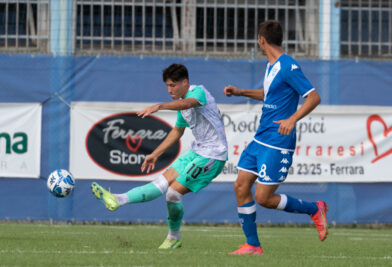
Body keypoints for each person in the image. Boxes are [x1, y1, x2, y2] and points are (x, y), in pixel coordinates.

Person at [91, 63, 228, 249]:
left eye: (173, 85)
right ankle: (118, 199)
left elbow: (188, 103)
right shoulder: (181, 103)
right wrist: (155, 154)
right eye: (167, 86)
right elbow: (178, 131)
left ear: (185, 82)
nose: (169, 90)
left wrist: (159, 106)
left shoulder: (198, 92)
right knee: (161, 183)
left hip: (213, 155)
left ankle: (173, 237)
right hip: (197, 151)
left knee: (173, 193)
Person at [224, 20, 327, 255]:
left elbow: (313, 97)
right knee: (241, 185)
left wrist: (292, 119)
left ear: (261, 40)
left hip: (278, 140)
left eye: (258, 41)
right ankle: (253, 245)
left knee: (263, 197)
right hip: (262, 136)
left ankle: (314, 209)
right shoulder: (271, 65)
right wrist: (241, 92)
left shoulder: (289, 66)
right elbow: (269, 94)